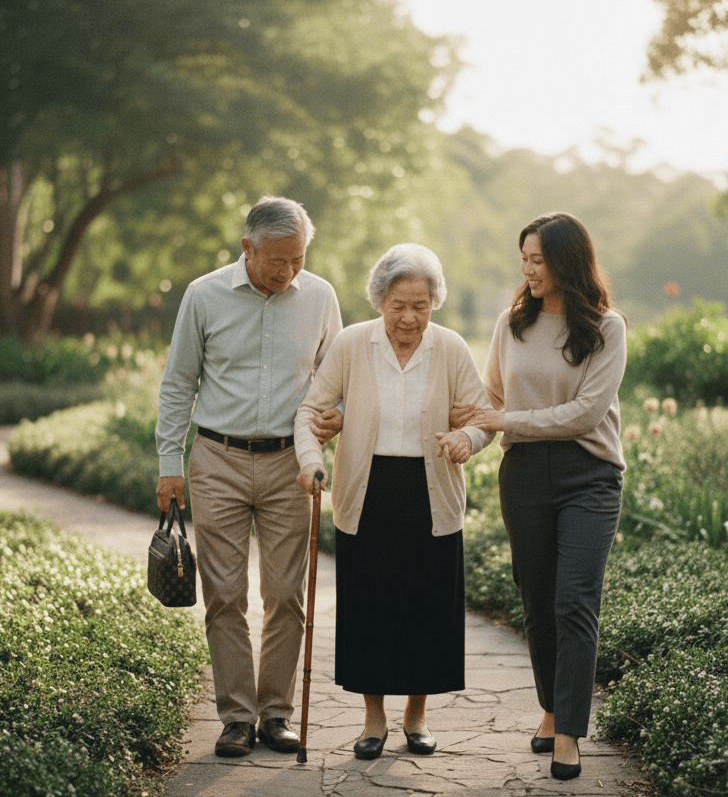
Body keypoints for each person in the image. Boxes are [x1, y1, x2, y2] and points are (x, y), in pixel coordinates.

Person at [155, 196, 344, 758]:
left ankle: (277, 714)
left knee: (287, 595)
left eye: (298, 259)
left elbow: (338, 376)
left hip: (292, 464)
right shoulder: (203, 294)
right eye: (277, 260)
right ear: (247, 248)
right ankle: (237, 716)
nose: (288, 272)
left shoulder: (320, 296)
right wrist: (170, 464)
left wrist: (336, 416)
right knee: (225, 595)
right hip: (218, 461)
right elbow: (177, 384)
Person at [293, 243, 495, 760]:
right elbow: (312, 410)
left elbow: (482, 416)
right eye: (399, 304)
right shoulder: (352, 343)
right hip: (368, 490)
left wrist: (466, 440)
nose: (409, 317)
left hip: (432, 491)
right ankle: (374, 719)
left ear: (434, 303)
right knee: (371, 607)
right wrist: (310, 460)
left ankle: (417, 715)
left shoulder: (449, 348)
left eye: (420, 306)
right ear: (380, 299)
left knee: (428, 606)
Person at [463, 213, 626, 781]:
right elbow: (490, 399)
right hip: (525, 473)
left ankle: (571, 735)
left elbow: (585, 413)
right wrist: (468, 438)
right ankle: (552, 709)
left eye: (539, 261)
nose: (529, 271)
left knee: (574, 602)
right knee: (536, 599)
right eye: (524, 260)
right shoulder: (512, 325)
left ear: (567, 263)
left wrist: (506, 419)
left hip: (591, 475)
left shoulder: (607, 328)